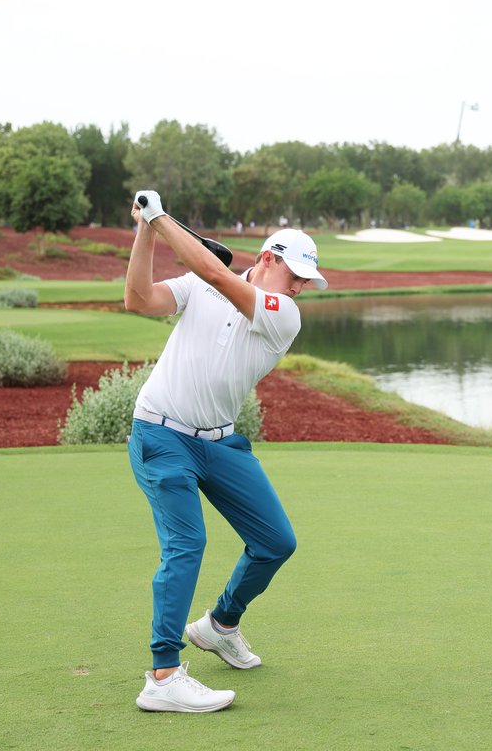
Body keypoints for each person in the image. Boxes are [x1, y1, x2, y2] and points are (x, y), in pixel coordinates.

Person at [123, 189, 328, 713]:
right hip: (161, 435)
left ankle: (220, 624)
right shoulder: (198, 284)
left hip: (219, 443)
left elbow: (217, 275)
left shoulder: (284, 315)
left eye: (306, 280)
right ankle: (163, 675)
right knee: (187, 544)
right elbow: (139, 300)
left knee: (276, 541)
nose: (300, 286)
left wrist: (160, 218)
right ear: (267, 259)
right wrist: (146, 231)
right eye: (295, 274)